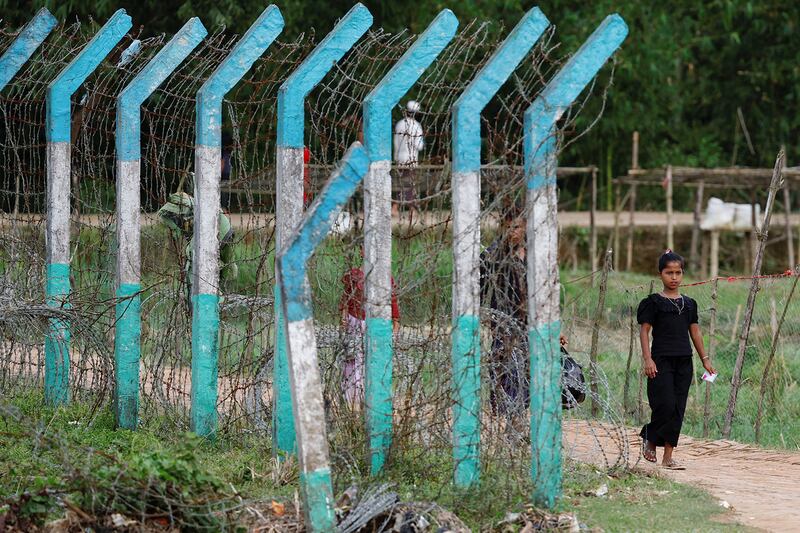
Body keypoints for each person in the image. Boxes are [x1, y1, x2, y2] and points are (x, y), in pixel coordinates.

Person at [480, 206, 568, 418]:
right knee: (505, 368)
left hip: (533, 325)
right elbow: (481, 287)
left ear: (527, 227)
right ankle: (505, 417)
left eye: (517, 226)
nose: (512, 231)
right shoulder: (493, 256)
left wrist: (556, 327)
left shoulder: (536, 256)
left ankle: (517, 417)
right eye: (507, 226)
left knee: (529, 372)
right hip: (503, 324)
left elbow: (546, 293)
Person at [638, 250, 715, 470]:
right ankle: (649, 438)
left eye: (678, 273)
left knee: (678, 409)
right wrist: (648, 359)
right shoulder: (652, 302)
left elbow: (695, 333)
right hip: (660, 361)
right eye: (668, 273)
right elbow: (644, 331)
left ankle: (668, 457)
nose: (674, 278)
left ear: (683, 274)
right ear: (660, 274)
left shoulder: (689, 304)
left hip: (684, 361)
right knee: (664, 404)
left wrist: (705, 360)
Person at [339, 250, 401, 407]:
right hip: (355, 323)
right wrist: (344, 318)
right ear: (361, 252)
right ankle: (354, 402)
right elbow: (345, 300)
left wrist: (394, 327)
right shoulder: (353, 276)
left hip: (376, 326)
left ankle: (372, 401)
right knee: (353, 362)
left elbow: (392, 304)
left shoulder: (385, 277)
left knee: (373, 363)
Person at [157, 188, 237, 309]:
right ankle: (212, 297)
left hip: (220, 233)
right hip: (223, 232)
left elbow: (192, 258)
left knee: (204, 265)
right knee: (221, 266)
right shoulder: (196, 212)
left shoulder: (199, 217)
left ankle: (210, 298)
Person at [392, 100, 424, 223]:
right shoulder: (416, 126)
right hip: (411, 159)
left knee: (401, 183)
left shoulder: (399, 124)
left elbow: (395, 142)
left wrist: (396, 157)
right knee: (410, 184)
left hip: (400, 158)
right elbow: (419, 146)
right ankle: (410, 209)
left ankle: (396, 207)